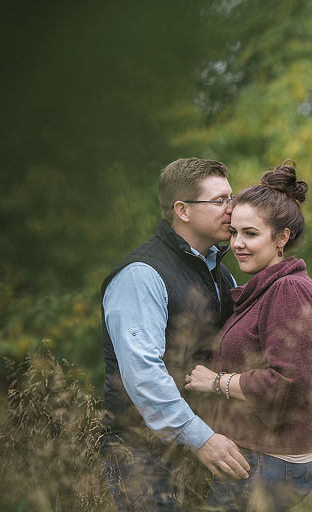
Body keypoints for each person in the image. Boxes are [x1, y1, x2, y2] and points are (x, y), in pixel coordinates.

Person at [101, 157, 251, 511]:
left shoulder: (220, 272)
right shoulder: (141, 275)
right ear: (183, 210)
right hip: (144, 456)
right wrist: (202, 439)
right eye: (220, 201)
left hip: (200, 451)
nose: (233, 209)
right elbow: (143, 374)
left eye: (232, 197)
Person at [185, 160, 312, 512]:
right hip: (259, 456)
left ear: (282, 238)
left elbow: (287, 382)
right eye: (234, 232)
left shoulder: (288, 291)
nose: (237, 244)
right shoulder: (266, 288)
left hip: (270, 461)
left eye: (250, 234)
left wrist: (217, 382)